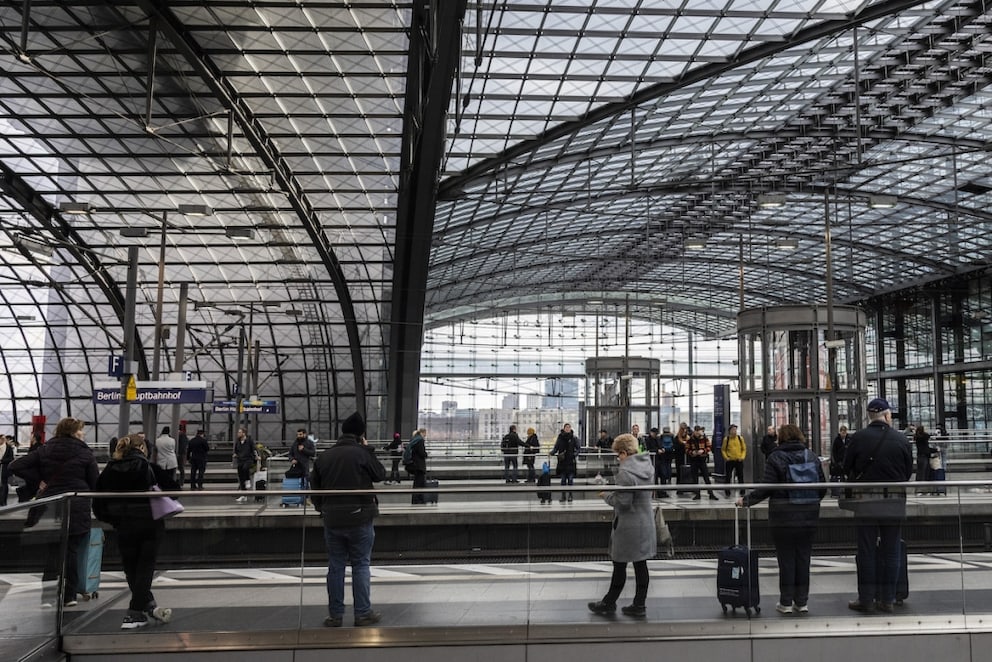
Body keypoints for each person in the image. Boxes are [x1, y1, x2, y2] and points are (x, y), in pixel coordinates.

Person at [737, 423, 826, 615]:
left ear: (781, 438)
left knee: (786, 560)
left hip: (783, 517)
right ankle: (801, 602)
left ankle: (786, 602)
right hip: (809, 516)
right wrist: (810, 503)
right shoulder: (811, 456)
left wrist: (746, 501)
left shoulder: (776, 457)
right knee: (803, 559)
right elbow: (822, 487)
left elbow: (767, 487)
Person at [10, 417, 99, 607]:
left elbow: (15, 465)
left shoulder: (45, 449)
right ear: (75, 432)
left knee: (52, 551)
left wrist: (40, 481)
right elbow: (95, 483)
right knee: (71, 551)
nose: (83, 434)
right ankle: (69, 596)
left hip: (51, 505)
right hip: (76, 505)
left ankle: (47, 598)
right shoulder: (85, 453)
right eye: (81, 431)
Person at [310, 412, 386, 627]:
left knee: (335, 566)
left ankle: (335, 615)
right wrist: (368, 449)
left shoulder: (325, 456)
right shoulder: (362, 453)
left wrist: (321, 509)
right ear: (361, 434)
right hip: (360, 517)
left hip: (332, 519)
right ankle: (362, 613)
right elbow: (380, 474)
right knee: (361, 564)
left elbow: (314, 486)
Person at [93, 434, 173, 629]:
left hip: (123, 525)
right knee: (145, 567)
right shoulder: (148, 467)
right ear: (143, 449)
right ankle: (134, 613)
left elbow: (97, 500)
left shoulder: (109, 470)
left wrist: (112, 519)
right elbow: (173, 488)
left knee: (131, 567)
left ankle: (148, 605)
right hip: (149, 523)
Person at [843, 398, 914, 614]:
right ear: (887, 415)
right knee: (892, 550)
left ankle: (866, 599)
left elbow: (847, 467)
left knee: (866, 550)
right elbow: (908, 471)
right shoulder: (901, 439)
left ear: (869, 416)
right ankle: (888, 599)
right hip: (894, 501)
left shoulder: (858, 438)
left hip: (865, 502)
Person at [587, 434, 656, 617]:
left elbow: (623, 502)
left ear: (625, 452)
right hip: (645, 521)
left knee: (619, 563)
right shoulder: (647, 465)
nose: (618, 458)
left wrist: (606, 495)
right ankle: (639, 604)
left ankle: (609, 603)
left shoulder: (625, 473)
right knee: (641, 565)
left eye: (619, 454)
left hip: (629, 525)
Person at [686, 426, 718, 500]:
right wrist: (692, 452)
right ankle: (697, 494)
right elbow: (687, 449)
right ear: (694, 431)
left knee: (706, 477)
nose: (697, 432)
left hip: (702, 460)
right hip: (693, 460)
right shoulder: (690, 440)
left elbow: (709, 447)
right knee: (695, 478)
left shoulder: (705, 438)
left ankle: (711, 493)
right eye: (696, 431)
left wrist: (703, 451)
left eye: (698, 431)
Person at [551, 423, 579, 503]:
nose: (567, 429)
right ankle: (563, 496)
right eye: (566, 427)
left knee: (570, 480)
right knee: (563, 480)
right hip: (562, 462)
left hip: (570, 461)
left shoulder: (573, 438)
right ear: (564, 428)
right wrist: (552, 452)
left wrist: (575, 454)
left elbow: (578, 448)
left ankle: (570, 496)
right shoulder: (560, 438)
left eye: (569, 427)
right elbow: (556, 447)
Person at [16, 432, 44, 502]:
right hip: (37, 473)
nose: (30, 438)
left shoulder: (34, 448)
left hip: (33, 472)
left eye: (31, 436)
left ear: (34, 438)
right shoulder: (41, 447)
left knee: (31, 489)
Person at [722, 424, 747, 497]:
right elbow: (723, 450)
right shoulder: (726, 439)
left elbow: (744, 449)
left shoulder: (740, 438)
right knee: (728, 477)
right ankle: (727, 492)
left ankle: (742, 491)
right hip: (730, 460)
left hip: (739, 460)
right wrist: (726, 458)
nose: (734, 431)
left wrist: (742, 457)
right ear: (729, 431)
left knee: (740, 476)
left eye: (735, 429)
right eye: (733, 429)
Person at [232, 427, 256, 503]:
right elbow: (236, 450)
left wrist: (256, 456)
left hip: (248, 459)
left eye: (239, 432)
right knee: (241, 477)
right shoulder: (238, 441)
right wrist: (235, 455)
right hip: (240, 460)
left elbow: (253, 449)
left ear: (244, 433)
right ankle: (243, 495)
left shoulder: (249, 441)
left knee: (245, 468)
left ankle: (248, 480)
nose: (238, 434)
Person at [406, 428, 428, 505]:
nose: (425, 435)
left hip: (415, 464)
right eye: (425, 433)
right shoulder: (420, 440)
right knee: (420, 483)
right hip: (419, 466)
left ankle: (415, 500)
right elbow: (422, 453)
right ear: (423, 432)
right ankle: (418, 500)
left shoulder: (414, 440)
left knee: (416, 483)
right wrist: (426, 454)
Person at [0, 433, 15, 506]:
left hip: (5, 470)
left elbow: (11, 459)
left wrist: (2, 461)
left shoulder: (9, 448)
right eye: (2, 439)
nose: (3, 440)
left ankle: (3, 502)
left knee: (4, 486)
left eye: (4, 438)